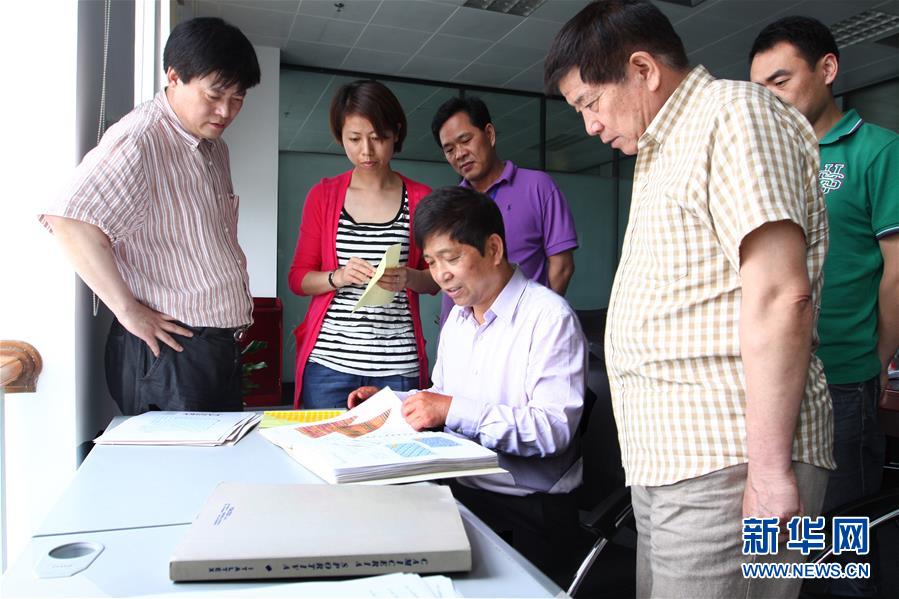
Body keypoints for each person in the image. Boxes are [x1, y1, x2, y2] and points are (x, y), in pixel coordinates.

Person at [544, 1, 834, 597]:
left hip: (730, 459)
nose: (590, 126)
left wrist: (770, 473)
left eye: (591, 103)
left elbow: (781, 295)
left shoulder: (734, 114)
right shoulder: (663, 147)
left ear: (643, 70)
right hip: (676, 460)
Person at [348, 186, 586, 586]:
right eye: (431, 262)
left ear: (493, 249)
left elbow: (552, 431)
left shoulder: (549, 318)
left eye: (452, 258)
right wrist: (390, 402)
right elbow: (442, 395)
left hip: (528, 508)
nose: (441, 274)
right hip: (460, 489)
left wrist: (449, 409)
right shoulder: (458, 319)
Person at [40, 17, 261, 415]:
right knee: (175, 457)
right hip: (169, 352)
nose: (226, 110)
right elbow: (69, 221)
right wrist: (128, 310)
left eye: (238, 98)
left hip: (211, 349)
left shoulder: (213, 147)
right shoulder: (141, 139)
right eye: (214, 95)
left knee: (217, 454)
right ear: (174, 76)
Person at [750, 17, 899, 597]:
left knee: (841, 548)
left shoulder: (878, 151)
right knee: (778, 544)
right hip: (771, 383)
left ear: (827, 70)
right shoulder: (769, 160)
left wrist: (874, 359)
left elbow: (896, 273)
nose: (771, 98)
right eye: (759, 88)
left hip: (842, 379)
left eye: (781, 80)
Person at [288, 80, 439, 410]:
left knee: (397, 444)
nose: (366, 151)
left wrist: (409, 277)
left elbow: (436, 280)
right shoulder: (323, 196)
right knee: (325, 442)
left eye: (378, 137)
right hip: (329, 365)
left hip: (398, 366)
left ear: (396, 132)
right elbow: (298, 278)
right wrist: (338, 277)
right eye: (354, 139)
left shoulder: (420, 199)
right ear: (340, 136)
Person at [430, 96, 579, 325]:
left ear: (489, 134)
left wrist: (537, 323)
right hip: (467, 332)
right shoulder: (451, 206)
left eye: (465, 140)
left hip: (525, 327)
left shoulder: (538, 186)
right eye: (449, 149)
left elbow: (562, 266)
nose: (459, 154)